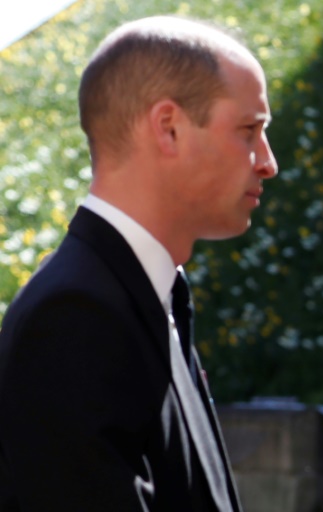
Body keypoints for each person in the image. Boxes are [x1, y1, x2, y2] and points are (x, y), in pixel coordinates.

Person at [0, 15, 277, 511]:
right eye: (249, 130)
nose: (267, 162)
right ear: (168, 127)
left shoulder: (141, 292)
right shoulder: (75, 316)